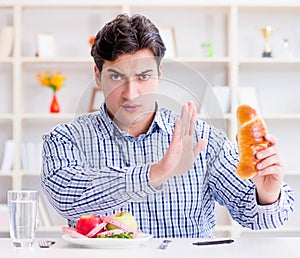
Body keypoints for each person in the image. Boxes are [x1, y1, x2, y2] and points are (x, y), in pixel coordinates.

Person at [41, 13, 294, 238]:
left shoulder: (203, 139)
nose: (131, 93)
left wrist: (268, 194)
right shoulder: (65, 139)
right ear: (97, 76)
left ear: (160, 75)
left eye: (143, 76)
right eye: (116, 76)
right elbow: (68, 199)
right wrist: (156, 173)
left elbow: (260, 219)